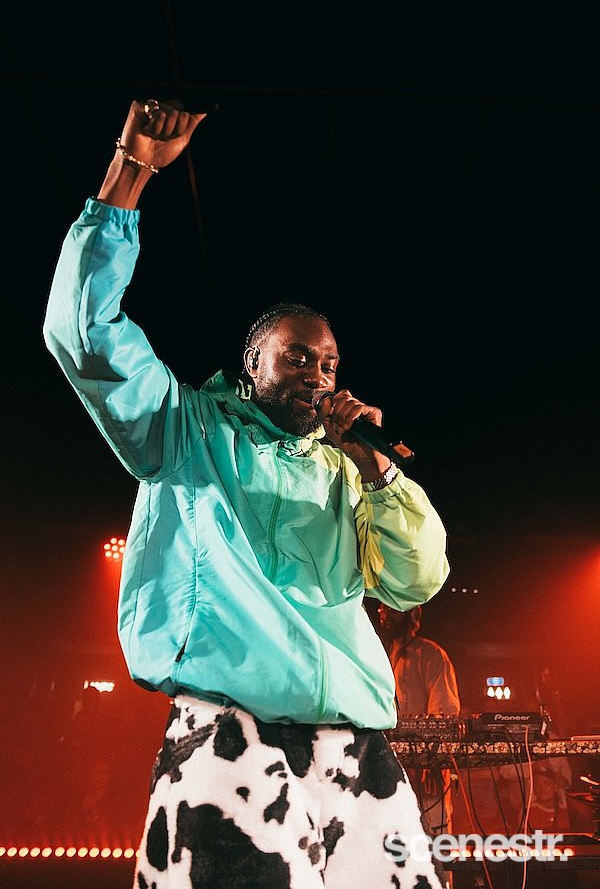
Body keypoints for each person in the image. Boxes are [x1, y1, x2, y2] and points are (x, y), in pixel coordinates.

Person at [43, 97, 451, 888]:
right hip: (233, 738)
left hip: (354, 745)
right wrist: (130, 173)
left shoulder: (348, 470)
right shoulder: (187, 432)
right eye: (297, 358)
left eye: (328, 364)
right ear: (252, 365)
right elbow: (83, 332)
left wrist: (377, 469)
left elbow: (417, 580)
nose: (318, 375)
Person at [377, 604, 461, 845]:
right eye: (382, 608)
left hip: (426, 771)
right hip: (389, 767)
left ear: (412, 614)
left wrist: (432, 761)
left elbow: (444, 714)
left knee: (433, 840)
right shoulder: (380, 656)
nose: (383, 612)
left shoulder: (430, 654)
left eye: (391, 608)